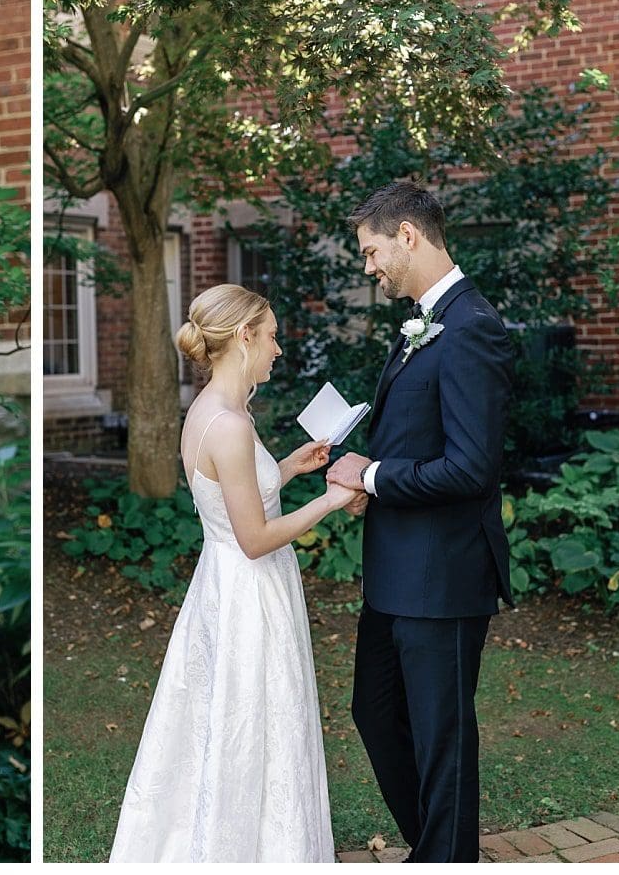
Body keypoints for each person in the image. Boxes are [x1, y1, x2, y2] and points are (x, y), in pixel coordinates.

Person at [109, 283, 360, 862]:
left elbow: (238, 493)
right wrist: (332, 498)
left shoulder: (213, 411)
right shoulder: (231, 425)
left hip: (222, 584)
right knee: (254, 721)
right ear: (244, 335)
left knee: (221, 720)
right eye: (271, 337)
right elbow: (254, 538)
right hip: (250, 592)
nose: (278, 349)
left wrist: (290, 467)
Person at [327, 180, 516, 863]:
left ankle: (444, 857)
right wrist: (365, 472)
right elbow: (421, 443)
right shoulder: (422, 323)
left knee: (442, 741)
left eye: (373, 251)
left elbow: (471, 468)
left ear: (407, 235)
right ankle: (438, 849)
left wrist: (373, 476)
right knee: (375, 714)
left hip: (444, 573)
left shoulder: (472, 328)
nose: (369, 267)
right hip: (395, 569)